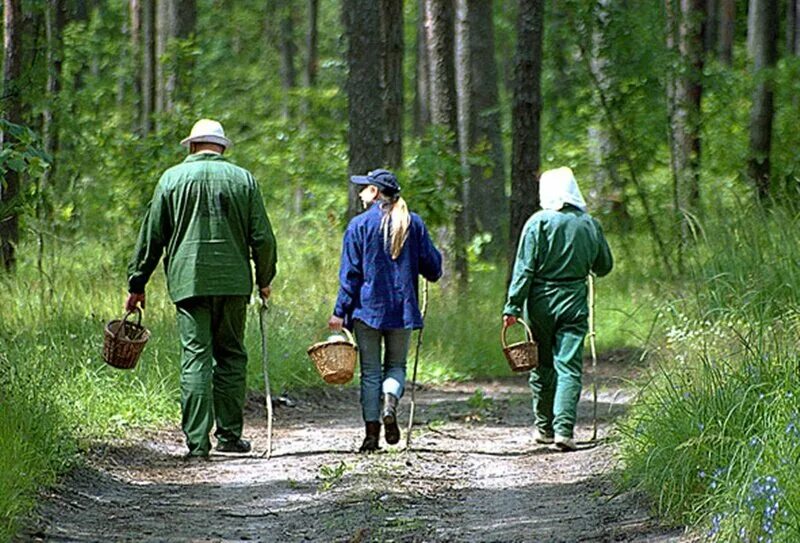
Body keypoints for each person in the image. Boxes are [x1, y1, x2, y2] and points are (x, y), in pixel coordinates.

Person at [126, 119, 277, 461]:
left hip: (189, 282)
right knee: (231, 355)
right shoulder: (244, 179)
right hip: (234, 282)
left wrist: (137, 283)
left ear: (192, 146)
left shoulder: (171, 179)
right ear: (222, 147)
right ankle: (229, 435)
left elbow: (152, 237)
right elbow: (263, 238)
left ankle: (197, 443)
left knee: (195, 357)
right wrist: (264, 279)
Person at [328, 169, 442, 452]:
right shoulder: (413, 224)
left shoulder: (359, 226)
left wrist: (339, 311)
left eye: (365, 187)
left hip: (366, 311)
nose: (360, 192)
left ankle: (371, 436)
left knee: (370, 373)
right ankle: (390, 402)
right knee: (396, 367)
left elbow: (351, 275)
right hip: (401, 311)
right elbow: (434, 269)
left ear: (376, 192)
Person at [502, 167, 613, 452]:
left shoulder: (538, 223)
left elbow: (525, 268)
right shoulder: (589, 224)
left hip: (540, 302)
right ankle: (565, 431)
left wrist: (512, 305)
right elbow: (604, 266)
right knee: (569, 366)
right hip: (574, 301)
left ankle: (545, 429)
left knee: (541, 363)